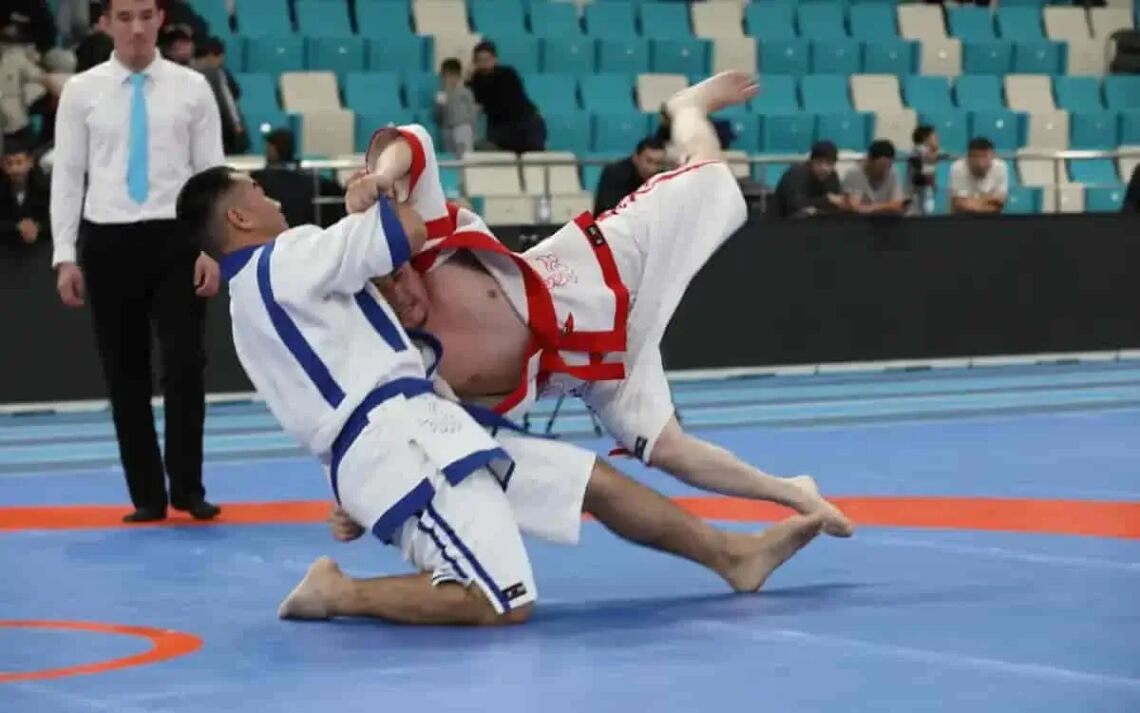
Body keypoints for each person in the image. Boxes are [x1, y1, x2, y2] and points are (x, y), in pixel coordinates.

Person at [174, 164, 826, 626]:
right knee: (499, 599)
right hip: (403, 446)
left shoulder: (247, 307)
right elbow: (405, 229)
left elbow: (323, 395)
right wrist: (377, 190)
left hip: (420, 428)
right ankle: (339, 592)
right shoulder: (286, 256)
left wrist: (347, 490)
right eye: (257, 191)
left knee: (593, 480)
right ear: (238, 216)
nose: (273, 198)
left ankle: (732, 556)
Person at [371, 72, 854, 538]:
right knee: (668, 450)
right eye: (387, 301)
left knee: (712, 178)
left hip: (607, 264)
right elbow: (406, 445)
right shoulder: (410, 368)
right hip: (594, 370)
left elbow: (412, 142)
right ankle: (794, 492)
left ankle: (686, 110)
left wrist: (380, 176)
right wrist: (363, 505)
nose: (402, 297)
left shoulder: (430, 245)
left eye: (398, 278)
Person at [50, 0, 225, 523]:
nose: (137, 28)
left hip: (176, 237)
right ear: (105, 23)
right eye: (124, 17)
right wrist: (64, 255)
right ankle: (146, 495)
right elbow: (69, 175)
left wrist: (210, 248)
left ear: (160, 19)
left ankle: (188, 487)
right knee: (124, 372)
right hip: (108, 239)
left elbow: (211, 173)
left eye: (146, 15)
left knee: (185, 364)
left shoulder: (193, 88)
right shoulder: (80, 91)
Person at [467, 40, 545, 154]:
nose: (483, 64)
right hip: (500, 129)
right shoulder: (475, 80)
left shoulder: (507, 74)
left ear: (495, 60)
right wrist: (468, 78)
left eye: (487, 60)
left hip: (525, 125)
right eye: (479, 60)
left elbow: (503, 104)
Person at [769, 140, 844, 220]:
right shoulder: (796, 174)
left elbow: (835, 203)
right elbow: (794, 205)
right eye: (819, 162)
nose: (823, 168)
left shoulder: (832, 176)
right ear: (811, 162)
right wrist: (826, 199)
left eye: (829, 163)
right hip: (784, 221)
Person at [592, 137, 667, 217]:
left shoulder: (663, 178)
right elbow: (610, 210)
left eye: (658, 163)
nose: (653, 168)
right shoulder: (615, 173)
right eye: (649, 161)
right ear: (635, 157)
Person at [0, 138, 50, 245]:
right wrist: (16, 226)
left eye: (19, 162)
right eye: (9, 163)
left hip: (40, 245)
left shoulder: (45, 187)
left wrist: (38, 226)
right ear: (2, 165)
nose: (15, 169)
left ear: (30, 162)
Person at [841, 139, 907, 216]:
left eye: (889, 166)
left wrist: (874, 208)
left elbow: (898, 205)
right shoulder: (855, 174)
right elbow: (855, 207)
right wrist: (889, 206)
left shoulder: (892, 173)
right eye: (881, 166)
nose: (884, 171)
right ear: (870, 160)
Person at [949, 137, 1008, 214]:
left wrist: (973, 201)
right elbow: (960, 205)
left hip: (992, 218)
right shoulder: (957, 168)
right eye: (976, 157)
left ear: (993, 156)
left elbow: (1000, 201)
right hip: (962, 218)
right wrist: (988, 199)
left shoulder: (1001, 167)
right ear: (968, 157)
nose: (980, 162)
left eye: (984, 156)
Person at [435, 58, 478, 157]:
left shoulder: (466, 92)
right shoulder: (441, 94)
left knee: (465, 155)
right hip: (447, 130)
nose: (449, 79)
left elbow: (472, 113)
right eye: (446, 76)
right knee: (451, 156)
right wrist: (442, 103)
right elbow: (439, 117)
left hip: (462, 128)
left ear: (459, 76)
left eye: (453, 76)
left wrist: (473, 132)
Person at [906, 125, 939, 216]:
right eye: (935, 138)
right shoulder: (919, 148)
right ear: (926, 139)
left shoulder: (922, 150)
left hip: (923, 192)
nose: (938, 141)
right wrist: (935, 150)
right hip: (915, 193)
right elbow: (930, 158)